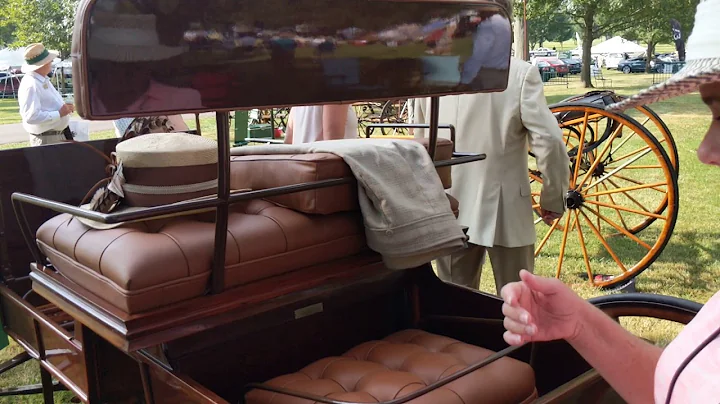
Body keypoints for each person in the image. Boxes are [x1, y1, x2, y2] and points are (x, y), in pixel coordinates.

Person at [502, 0, 720, 402]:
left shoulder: (441, 79)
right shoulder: (519, 74)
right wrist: (582, 322)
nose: (705, 151)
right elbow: (679, 384)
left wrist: (553, 196)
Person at [412, 0, 570, 295]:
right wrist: (552, 197)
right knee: (519, 304)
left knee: (454, 302)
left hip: (450, 207)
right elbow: (549, 141)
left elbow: (420, 146)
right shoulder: (520, 74)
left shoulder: (430, 74)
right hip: (507, 208)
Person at [18, 43, 75, 146]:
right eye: (50, 60)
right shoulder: (31, 84)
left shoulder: (41, 80)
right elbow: (31, 116)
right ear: (43, 64)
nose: (51, 63)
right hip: (46, 139)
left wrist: (65, 109)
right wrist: (59, 113)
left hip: (54, 137)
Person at [284, 105, 358, 144]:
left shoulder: (301, 95)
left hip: (301, 165)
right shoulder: (336, 89)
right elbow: (333, 145)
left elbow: (288, 140)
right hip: (324, 168)